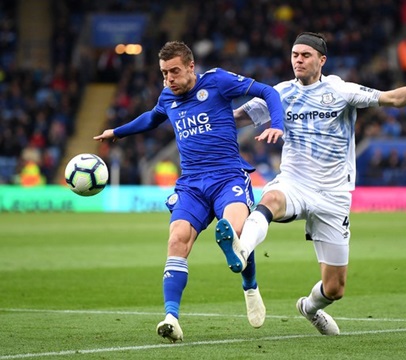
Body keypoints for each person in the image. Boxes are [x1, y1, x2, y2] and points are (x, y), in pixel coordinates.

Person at [215, 32, 406, 335]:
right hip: (294, 182)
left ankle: (309, 308)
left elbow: (392, 98)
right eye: (294, 55)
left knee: (335, 287)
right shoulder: (280, 93)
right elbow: (236, 118)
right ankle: (241, 250)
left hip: (334, 194)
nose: (298, 60)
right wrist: (200, 111)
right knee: (270, 201)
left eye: (305, 55)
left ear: (321, 60)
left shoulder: (341, 90)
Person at [94, 41, 284, 342]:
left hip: (227, 176)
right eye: (164, 73)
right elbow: (151, 118)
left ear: (191, 67)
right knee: (177, 239)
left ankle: (250, 286)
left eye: (174, 72)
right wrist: (117, 132)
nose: (169, 79)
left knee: (233, 230)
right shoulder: (167, 96)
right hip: (192, 184)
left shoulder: (217, 81)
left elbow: (268, 92)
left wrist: (278, 124)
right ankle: (171, 317)